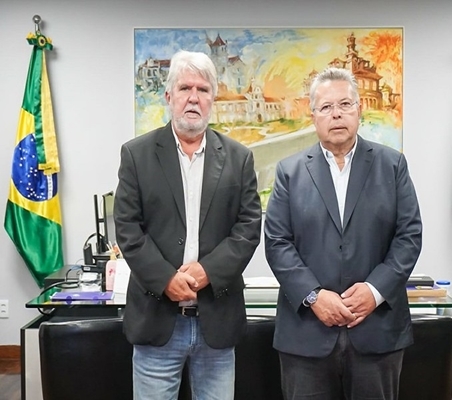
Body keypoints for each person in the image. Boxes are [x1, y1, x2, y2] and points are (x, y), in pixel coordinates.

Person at [264, 67, 422, 400]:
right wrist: (313, 296)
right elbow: (277, 243)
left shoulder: (392, 165)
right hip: (306, 334)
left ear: (359, 110)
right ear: (313, 116)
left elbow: (409, 235)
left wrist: (375, 290)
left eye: (345, 104)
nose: (336, 114)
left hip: (377, 331)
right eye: (326, 107)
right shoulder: (289, 172)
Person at [114, 50, 262, 399]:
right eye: (184, 88)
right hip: (156, 318)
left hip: (217, 320)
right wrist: (166, 279)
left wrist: (206, 272)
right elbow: (127, 228)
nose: (193, 97)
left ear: (213, 98)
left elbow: (248, 227)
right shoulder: (137, 155)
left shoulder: (239, 158)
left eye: (203, 89)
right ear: (169, 97)